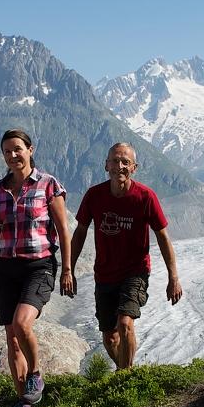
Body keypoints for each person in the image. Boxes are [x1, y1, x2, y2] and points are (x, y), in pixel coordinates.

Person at [0, 129, 74, 407]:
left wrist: (66, 269)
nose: (12, 156)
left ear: (30, 149)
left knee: (21, 322)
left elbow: (63, 230)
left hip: (38, 266)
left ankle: (35, 374)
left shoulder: (48, 185)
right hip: (6, 268)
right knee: (12, 339)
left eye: (17, 149)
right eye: (7, 151)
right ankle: (24, 403)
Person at [67, 142, 183, 370]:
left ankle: (125, 378)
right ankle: (125, 369)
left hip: (134, 271)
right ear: (106, 165)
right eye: (115, 161)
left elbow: (162, 236)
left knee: (125, 323)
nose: (119, 166)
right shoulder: (94, 196)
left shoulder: (145, 197)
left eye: (125, 162)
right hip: (104, 274)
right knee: (110, 338)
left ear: (134, 168)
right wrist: (68, 270)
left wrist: (174, 277)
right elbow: (80, 233)